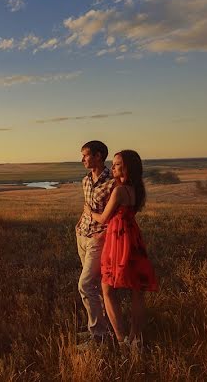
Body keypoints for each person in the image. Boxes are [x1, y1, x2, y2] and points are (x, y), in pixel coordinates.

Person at [91, 150, 159, 349]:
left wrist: (89, 212)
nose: (112, 167)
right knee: (137, 290)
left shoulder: (119, 191)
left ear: (127, 168)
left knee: (108, 288)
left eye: (117, 164)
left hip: (118, 240)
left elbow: (104, 218)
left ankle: (122, 340)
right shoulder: (136, 189)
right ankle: (135, 338)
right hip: (133, 237)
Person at [75, 140, 116, 347]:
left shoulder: (113, 183)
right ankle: (100, 328)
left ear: (99, 156)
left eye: (86, 155)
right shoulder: (85, 180)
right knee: (94, 286)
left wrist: (104, 234)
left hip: (98, 239)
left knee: (85, 284)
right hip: (82, 235)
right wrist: (79, 225)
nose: (82, 159)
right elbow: (87, 208)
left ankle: (98, 336)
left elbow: (115, 216)